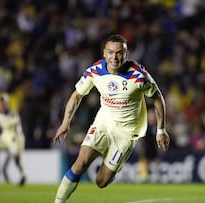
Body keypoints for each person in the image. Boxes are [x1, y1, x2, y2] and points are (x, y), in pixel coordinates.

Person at [53, 34, 170, 203]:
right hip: (104, 123)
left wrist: (161, 130)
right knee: (81, 162)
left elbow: (157, 97)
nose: (114, 57)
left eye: (119, 53)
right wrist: (65, 122)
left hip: (127, 132)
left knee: (101, 182)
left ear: (126, 54)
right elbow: (77, 96)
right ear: (104, 53)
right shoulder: (94, 71)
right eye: (110, 52)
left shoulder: (138, 75)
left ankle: (113, 166)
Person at [0, 94, 26, 186]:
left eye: (3, 102)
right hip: (4, 135)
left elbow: (18, 125)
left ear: (7, 103)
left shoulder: (12, 113)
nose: (2, 104)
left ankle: (23, 175)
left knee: (16, 157)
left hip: (14, 136)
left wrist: (16, 135)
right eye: (0, 102)